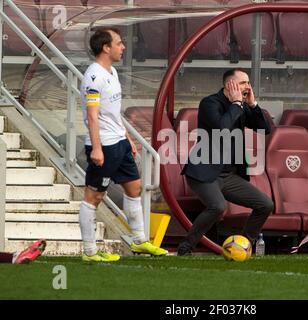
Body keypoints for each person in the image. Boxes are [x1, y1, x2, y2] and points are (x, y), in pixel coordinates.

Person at [79, 27, 168, 262]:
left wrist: (127, 137)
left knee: (134, 187)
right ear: (106, 48)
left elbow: (112, 112)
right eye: (119, 43)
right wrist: (97, 148)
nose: (123, 47)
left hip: (118, 141)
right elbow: (93, 114)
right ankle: (89, 251)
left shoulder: (112, 72)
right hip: (105, 145)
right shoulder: (94, 76)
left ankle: (139, 242)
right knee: (94, 196)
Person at [177, 68, 274, 256]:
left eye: (248, 82)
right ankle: (186, 246)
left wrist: (252, 105)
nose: (248, 86)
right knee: (218, 206)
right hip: (204, 172)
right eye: (243, 83)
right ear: (229, 85)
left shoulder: (242, 105)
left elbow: (264, 128)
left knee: (265, 204)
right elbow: (222, 127)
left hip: (228, 175)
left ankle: (244, 245)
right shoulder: (210, 103)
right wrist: (237, 104)